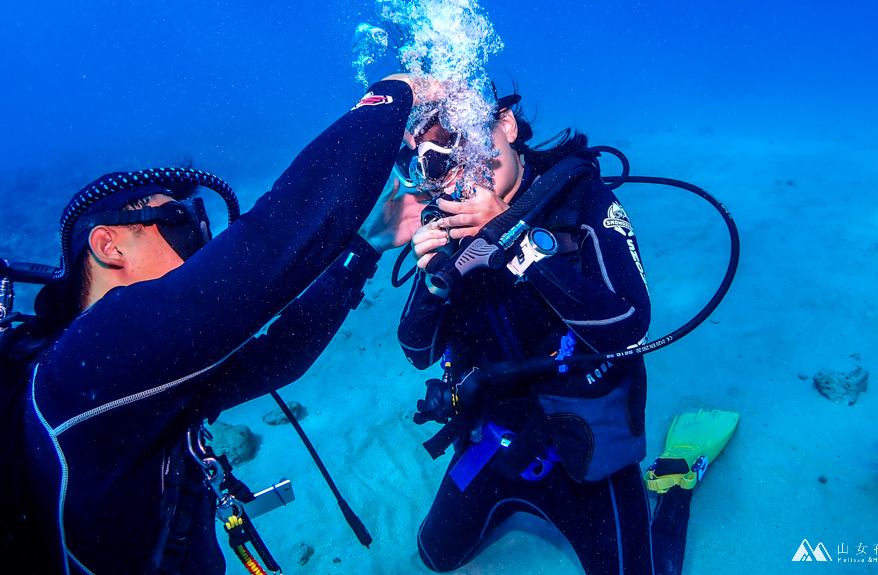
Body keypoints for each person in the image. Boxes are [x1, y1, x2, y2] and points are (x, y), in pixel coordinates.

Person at [1, 74, 430, 574]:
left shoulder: (123, 380)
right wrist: (392, 93)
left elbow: (277, 359)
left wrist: (365, 246)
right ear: (109, 246)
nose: (201, 235)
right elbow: (275, 239)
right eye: (178, 219)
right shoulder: (84, 364)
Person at [396, 89, 738, 575]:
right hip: (493, 443)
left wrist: (515, 243)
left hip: (584, 452)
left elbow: (629, 327)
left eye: (468, 141)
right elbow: (416, 351)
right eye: (437, 164)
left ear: (507, 126)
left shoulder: (581, 200)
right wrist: (432, 284)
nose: (464, 173)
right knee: (435, 556)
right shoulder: (448, 230)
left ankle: (677, 481)